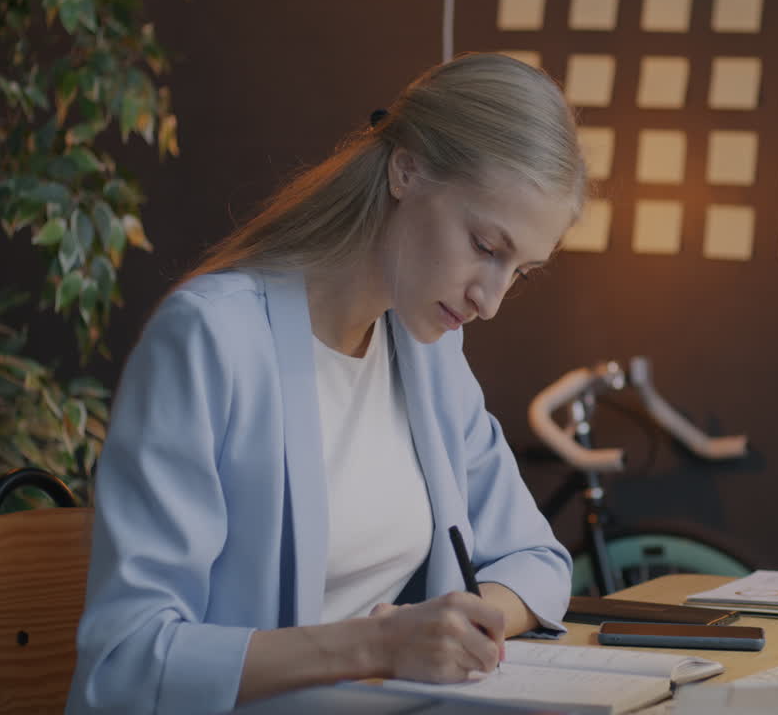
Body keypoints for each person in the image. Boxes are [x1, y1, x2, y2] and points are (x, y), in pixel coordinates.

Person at [66, 52, 584, 714]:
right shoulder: (210, 339)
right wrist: (381, 646)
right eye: (485, 246)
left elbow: (538, 559)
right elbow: (126, 661)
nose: (491, 300)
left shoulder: (430, 354)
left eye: (520, 271)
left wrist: (459, 626)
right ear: (407, 169)